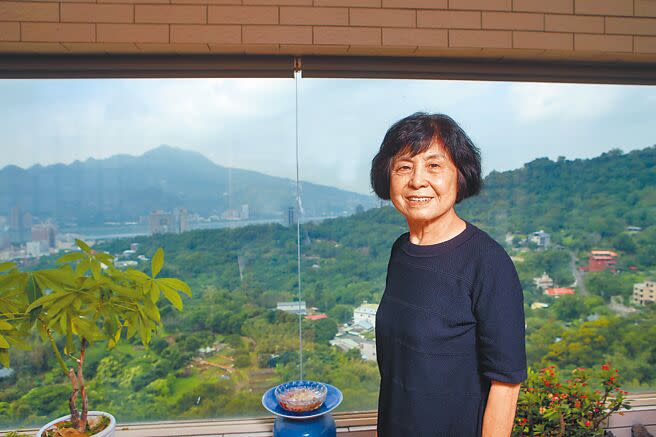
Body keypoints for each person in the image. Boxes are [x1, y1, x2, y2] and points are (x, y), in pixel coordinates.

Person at [370, 112, 527, 436]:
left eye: (434, 165)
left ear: (461, 175)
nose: (417, 181)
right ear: (388, 177)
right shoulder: (401, 251)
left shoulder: (488, 263)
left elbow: (507, 383)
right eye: (404, 166)